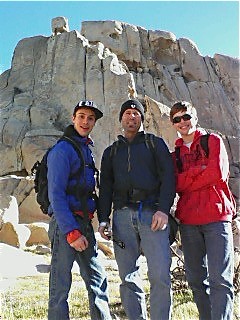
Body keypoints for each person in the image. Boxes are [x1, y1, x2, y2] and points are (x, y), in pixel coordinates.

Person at [98, 99, 176, 320]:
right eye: (127, 113)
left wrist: (163, 210)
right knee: (128, 277)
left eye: (136, 113)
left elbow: (168, 178)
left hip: (152, 215)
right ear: (121, 118)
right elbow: (105, 188)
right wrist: (103, 219)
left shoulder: (154, 144)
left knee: (160, 275)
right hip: (122, 218)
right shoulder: (111, 152)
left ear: (142, 118)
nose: (131, 117)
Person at [170, 101, 236, 320]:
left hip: (217, 216)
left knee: (221, 280)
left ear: (195, 117)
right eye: (177, 119)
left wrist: (187, 178)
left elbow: (216, 173)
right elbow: (175, 185)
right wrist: (199, 172)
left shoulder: (213, 141)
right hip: (188, 220)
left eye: (186, 116)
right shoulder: (175, 155)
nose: (182, 122)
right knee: (197, 280)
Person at [47, 100, 112, 320]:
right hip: (66, 226)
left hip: (84, 223)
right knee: (60, 286)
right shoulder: (63, 150)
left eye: (90, 118)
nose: (86, 121)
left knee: (97, 280)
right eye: (81, 116)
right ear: (73, 118)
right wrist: (71, 232)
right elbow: (56, 194)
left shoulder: (86, 149)